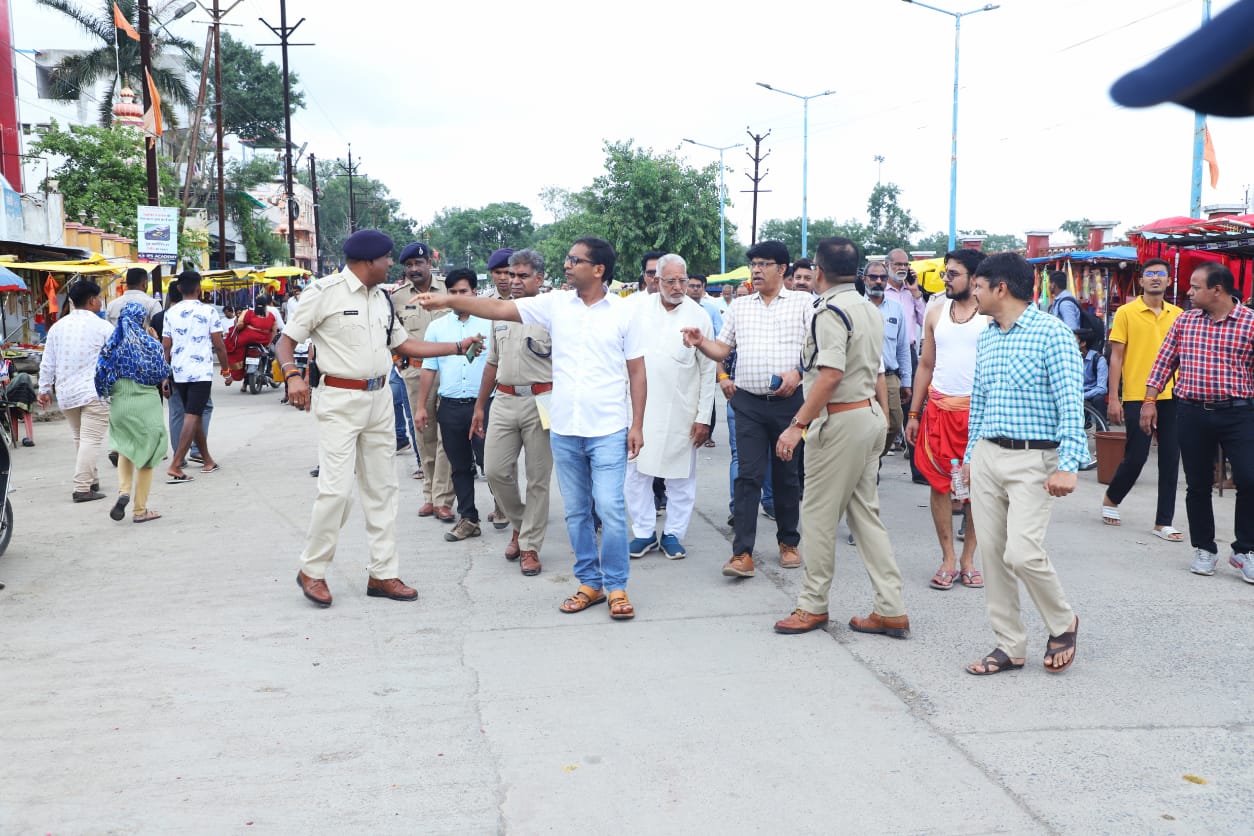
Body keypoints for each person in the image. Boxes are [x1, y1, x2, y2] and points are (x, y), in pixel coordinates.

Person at [419, 236, 646, 620]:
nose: (567, 264)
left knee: (609, 506)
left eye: (575, 260)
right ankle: (589, 583)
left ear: (598, 269)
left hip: (608, 427)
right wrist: (448, 300)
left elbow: (637, 371)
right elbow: (496, 306)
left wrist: (637, 423)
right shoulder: (555, 305)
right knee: (575, 511)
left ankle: (617, 586)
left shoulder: (624, 313)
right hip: (565, 427)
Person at [277, 229, 483, 609]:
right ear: (367, 261)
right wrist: (291, 375)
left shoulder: (383, 300)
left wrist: (457, 347)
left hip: (379, 401)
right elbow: (286, 341)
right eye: (387, 258)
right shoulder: (325, 293)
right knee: (336, 492)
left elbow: (404, 345)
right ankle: (313, 570)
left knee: (383, 492)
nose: (393, 264)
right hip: (340, 400)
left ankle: (383, 574)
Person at [771, 238, 909, 637]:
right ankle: (891, 607)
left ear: (819, 270)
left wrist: (797, 425)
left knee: (816, 515)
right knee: (866, 516)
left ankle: (812, 606)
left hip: (841, 420)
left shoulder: (830, 310)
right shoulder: (867, 308)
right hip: (866, 415)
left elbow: (829, 374)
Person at [963, 253, 1083, 676]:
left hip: (1035, 459)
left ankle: (1062, 621)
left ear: (1001, 288)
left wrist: (1068, 464)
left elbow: (1072, 404)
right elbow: (979, 401)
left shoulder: (1052, 334)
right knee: (993, 555)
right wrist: (970, 456)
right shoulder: (988, 337)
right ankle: (1009, 646)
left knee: (1022, 553)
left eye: (978, 285)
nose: (972, 292)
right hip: (988, 455)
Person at [682, 240, 810, 576]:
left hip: (789, 406)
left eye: (764, 263)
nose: (756, 270)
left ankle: (788, 542)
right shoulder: (741, 306)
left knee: (786, 476)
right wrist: (700, 343)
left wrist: (798, 373)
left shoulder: (804, 304)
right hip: (748, 403)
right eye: (753, 263)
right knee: (747, 476)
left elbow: (818, 350)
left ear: (782, 269)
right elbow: (722, 348)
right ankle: (742, 553)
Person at [1142, 262, 1254, 583]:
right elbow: (1163, 362)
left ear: (1217, 290)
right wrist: (1149, 401)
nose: (1188, 292)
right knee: (1198, 484)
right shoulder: (1185, 322)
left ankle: (1245, 549)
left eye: (1195, 287)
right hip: (1191, 412)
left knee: (1249, 478)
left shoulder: (1249, 323)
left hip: (1239, 413)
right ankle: (1205, 548)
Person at [905, 249, 988, 590]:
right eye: (945, 273)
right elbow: (926, 364)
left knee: (978, 490)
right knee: (940, 486)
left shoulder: (991, 314)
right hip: (938, 411)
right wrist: (913, 412)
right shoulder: (935, 310)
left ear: (973, 277)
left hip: (979, 415)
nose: (946, 279)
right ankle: (948, 558)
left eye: (953, 274)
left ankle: (969, 559)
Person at [625, 254, 716, 560]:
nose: (678, 287)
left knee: (681, 478)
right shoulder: (637, 310)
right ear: (656, 280)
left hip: (682, 410)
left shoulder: (698, 315)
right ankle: (643, 532)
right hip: (641, 411)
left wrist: (704, 418)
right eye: (671, 281)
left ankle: (674, 533)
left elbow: (707, 370)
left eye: (682, 280)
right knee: (637, 474)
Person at [471, 249, 553, 576]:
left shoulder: (552, 312)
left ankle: (530, 545)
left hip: (543, 400)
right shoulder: (500, 313)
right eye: (510, 275)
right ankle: (521, 524)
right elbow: (492, 362)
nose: (513, 281)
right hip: (503, 400)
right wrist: (480, 406)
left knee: (538, 478)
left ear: (539, 278)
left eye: (521, 276)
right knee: (495, 471)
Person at [1101, 259, 1183, 539]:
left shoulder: (1179, 315)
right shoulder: (1126, 312)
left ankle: (1163, 521)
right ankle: (1112, 497)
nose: (1156, 279)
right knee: (1136, 456)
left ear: (1169, 281)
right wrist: (1114, 397)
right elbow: (1116, 357)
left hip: (1172, 394)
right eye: (1150, 274)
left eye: (1161, 274)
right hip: (1137, 393)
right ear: (1141, 281)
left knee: (1171, 458)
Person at [415, 268, 491, 543]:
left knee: (491, 464)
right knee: (459, 467)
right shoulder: (437, 327)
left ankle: (506, 510)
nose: (459, 296)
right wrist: (422, 406)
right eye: (454, 292)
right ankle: (468, 518)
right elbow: (428, 367)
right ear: (447, 294)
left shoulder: (489, 322)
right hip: (449, 406)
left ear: (474, 292)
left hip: (484, 405)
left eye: (464, 291)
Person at [390, 241, 455, 517]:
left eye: (419, 263)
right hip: (416, 374)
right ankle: (429, 493)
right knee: (424, 435)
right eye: (408, 265)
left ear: (430, 263)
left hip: (450, 370)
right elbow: (391, 336)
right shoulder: (396, 297)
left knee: (447, 437)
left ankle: (443, 498)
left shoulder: (449, 290)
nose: (414, 269)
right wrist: (400, 365)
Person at [36, 278, 114, 502]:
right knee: (89, 439)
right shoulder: (103, 327)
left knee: (80, 437)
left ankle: (91, 479)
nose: (99, 301)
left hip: (66, 393)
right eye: (98, 298)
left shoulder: (57, 327)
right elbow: (115, 358)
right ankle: (81, 488)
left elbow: (47, 361)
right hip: (94, 392)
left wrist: (43, 389)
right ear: (91, 300)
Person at [95, 302, 170, 523]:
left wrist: (108, 392)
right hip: (147, 404)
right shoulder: (151, 344)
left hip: (120, 403)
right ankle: (140, 510)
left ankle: (124, 492)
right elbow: (162, 371)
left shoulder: (112, 345)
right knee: (149, 455)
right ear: (142, 320)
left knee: (125, 448)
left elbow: (100, 375)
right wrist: (155, 341)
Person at [162, 271, 229, 483]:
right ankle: (176, 464)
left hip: (179, 371)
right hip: (200, 372)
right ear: (199, 288)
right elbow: (218, 344)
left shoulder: (170, 313)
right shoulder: (208, 311)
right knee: (192, 415)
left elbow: (166, 346)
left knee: (195, 414)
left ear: (179, 289)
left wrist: (165, 374)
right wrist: (226, 369)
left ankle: (207, 459)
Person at [153, 284, 213, 466]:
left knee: (178, 412)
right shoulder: (202, 312)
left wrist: (164, 374)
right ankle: (183, 457)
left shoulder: (159, 317)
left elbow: (163, 346)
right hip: (195, 372)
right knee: (199, 410)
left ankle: (186, 455)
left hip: (172, 372)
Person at [862, 261, 912, 457]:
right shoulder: (857, 306)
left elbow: (903, 348)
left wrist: (906, 381)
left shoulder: (896, 308)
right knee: (864, 424)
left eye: (882, 278)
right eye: (873, 277)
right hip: (862, 375)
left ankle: (873, 460)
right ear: (864, 279)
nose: (878, 281)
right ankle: (866, 467)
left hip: (890, 377)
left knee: (892, 423)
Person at [224, 294, 279, 382]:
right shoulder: (271, 316)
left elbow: (240, 325)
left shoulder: (249, 313)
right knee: (271, 353)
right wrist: (269, 342)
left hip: (247, 338)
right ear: (266, 305)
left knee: (234, 348)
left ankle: (235, 372)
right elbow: (274, 331)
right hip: (263, 340)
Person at [1077, 327, 1108, 471]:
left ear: (1083, 343)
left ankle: (1103, 441)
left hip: (1091, 393)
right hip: (1077, 391)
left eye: (1074, 339)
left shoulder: (1098, 359)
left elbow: (1102, 387)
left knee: (1099, 399)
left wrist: (1083, 396)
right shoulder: (1072, 356)